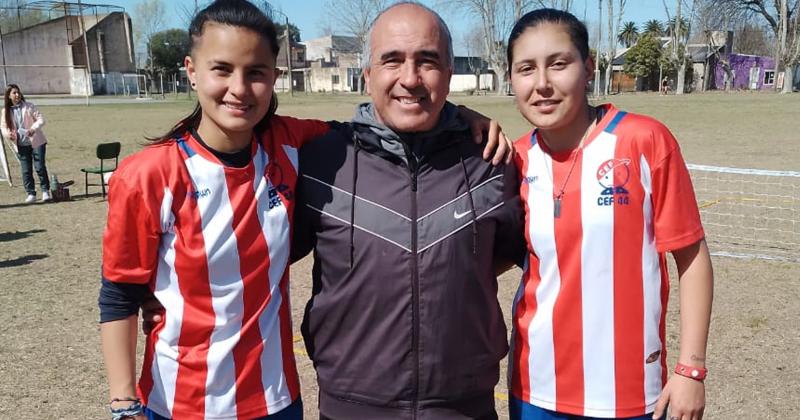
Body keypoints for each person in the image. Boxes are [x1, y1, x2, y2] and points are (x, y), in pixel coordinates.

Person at [99, 1, 509, 419]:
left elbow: (385, 120)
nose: (239, 88)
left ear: (273, 78)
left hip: (276, 399)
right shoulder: (150, 173)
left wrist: (459, 115)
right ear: (191, 70)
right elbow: (118, 295)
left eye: (255, 73)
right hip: (179, 401)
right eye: (221, 69)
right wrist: (123, 401)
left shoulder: (293, 146)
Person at [291, 3, 525, 419]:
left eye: (428, 61)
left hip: (464, 406)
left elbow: (507, 252)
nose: (410, 78)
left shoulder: (491, 160)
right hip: (351, 405)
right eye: (392, 60)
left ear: (449, 75)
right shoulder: (322, 159)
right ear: (367, 75)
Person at [506, 9, 713, 420]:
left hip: (629, 393)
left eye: (559, 64)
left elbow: (692, 258)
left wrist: (691, 368)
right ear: (512, 80)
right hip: (534, 387)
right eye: (526, 69)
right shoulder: (513, 159)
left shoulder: (644, 140)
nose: (542, 84)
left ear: (589, 68)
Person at [1, 84, 51, 203]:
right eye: (14, 93)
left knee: (39, 167)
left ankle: (45, 191)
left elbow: (41, 119)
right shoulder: (5, 111)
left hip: (36, 142)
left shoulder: (29, 106)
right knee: (26, 170)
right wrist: (9, 135)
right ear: (8, 96)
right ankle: (31, 193)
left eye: (18, 92)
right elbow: (3, 127)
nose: (17, 95)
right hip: (21, 144)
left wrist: (33, 129)